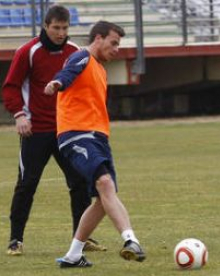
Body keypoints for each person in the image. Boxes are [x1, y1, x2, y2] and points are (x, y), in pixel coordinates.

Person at [2, 5, 106, 255]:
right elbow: (10, 87)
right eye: (56, 28)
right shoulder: (28, 51)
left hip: (67, 131)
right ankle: (15, 240)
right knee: (27, 184)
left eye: (65, 28)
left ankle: (82, 239)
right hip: (35, 131)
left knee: (79, 183)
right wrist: (19, 115)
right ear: (46, 26)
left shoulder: (75, 53)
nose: (61, 33)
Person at [44, 20, 146, 268]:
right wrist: (57, 83)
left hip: (98, 138)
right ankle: (130, 240)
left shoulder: (100, 69)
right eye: (113, 43)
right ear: (98, 39)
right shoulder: (82, 57)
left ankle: (73, 255)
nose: (116, 49)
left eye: (119, 45)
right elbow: (67, 73)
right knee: (104, 183)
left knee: (104, 198)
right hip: (77, 135)